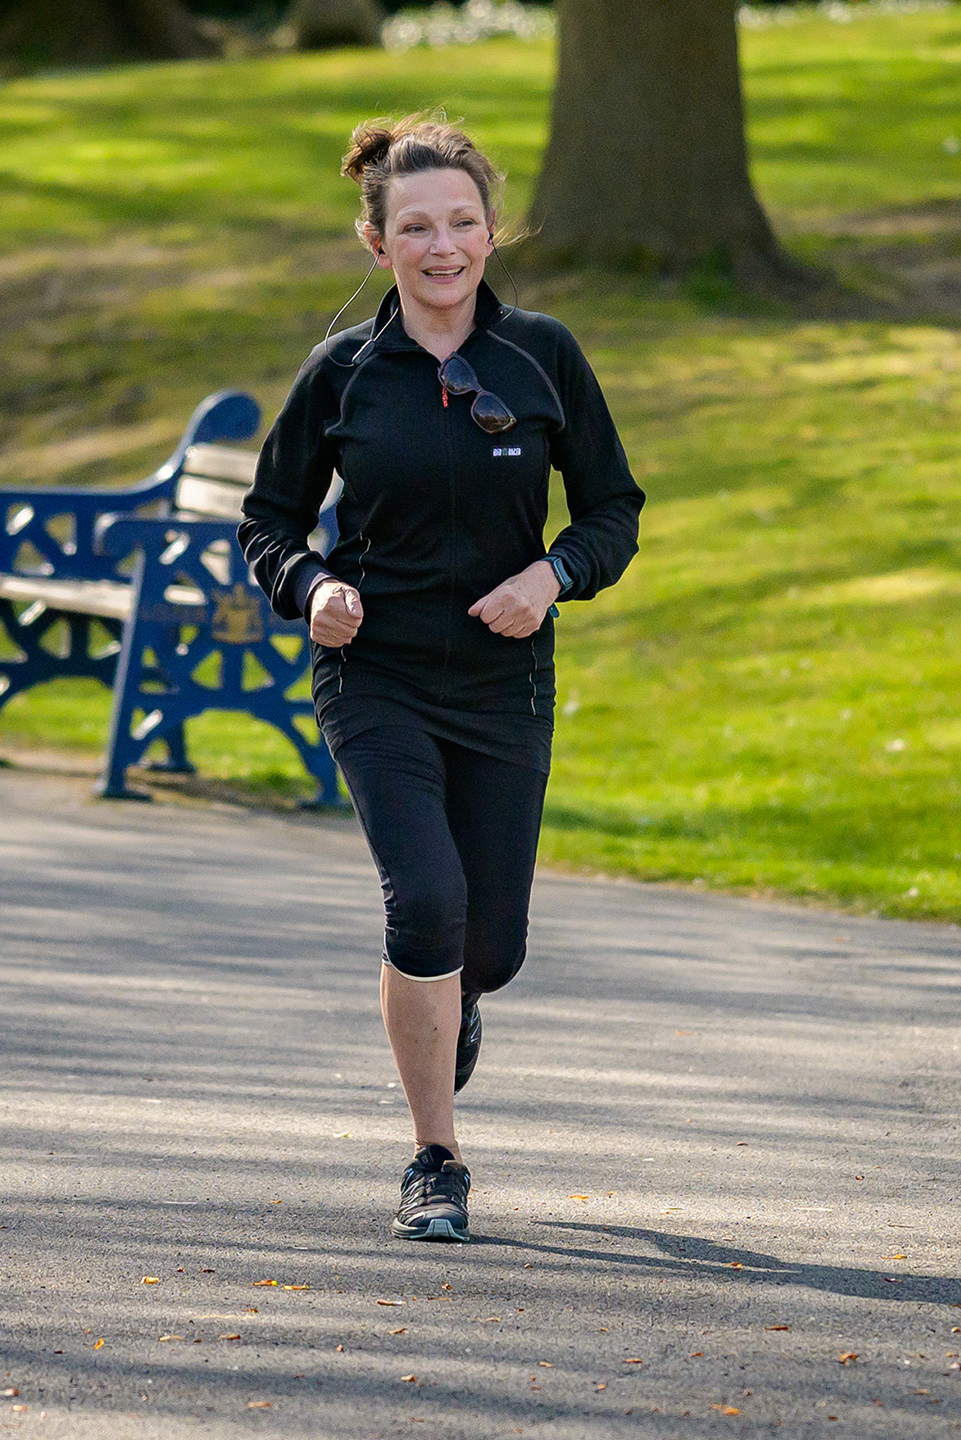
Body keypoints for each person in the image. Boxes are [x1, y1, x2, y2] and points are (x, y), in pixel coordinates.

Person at [239, 113, 643, 1242]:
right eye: (415, 227)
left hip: (504, 681)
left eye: (462, 222)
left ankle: (455, 1002)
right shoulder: (345, 375)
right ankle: (434, 1160)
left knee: (490, 946)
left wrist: (554, 575)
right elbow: (268, 520)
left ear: (492, 231)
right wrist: (313, 587)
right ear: (378, 244)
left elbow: (614, 510)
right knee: (424, 900)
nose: (442, 245)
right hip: (376, 677)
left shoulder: (543, 358)